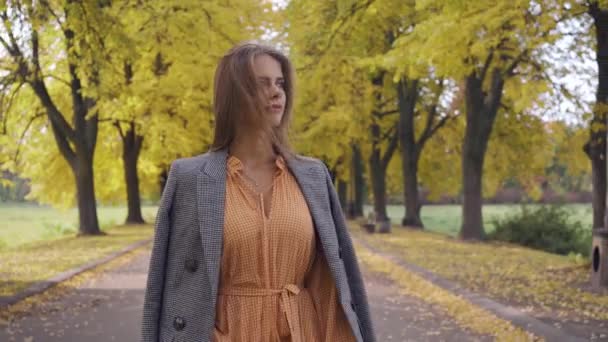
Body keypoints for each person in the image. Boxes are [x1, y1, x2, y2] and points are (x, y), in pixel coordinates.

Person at [141, 41, 375, 342]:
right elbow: (161, 287)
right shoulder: (189, 177)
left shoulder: (312, 175)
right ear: (234, 95)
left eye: (280, 83)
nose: (276, 92)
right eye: (262, 84)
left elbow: (335, 281)